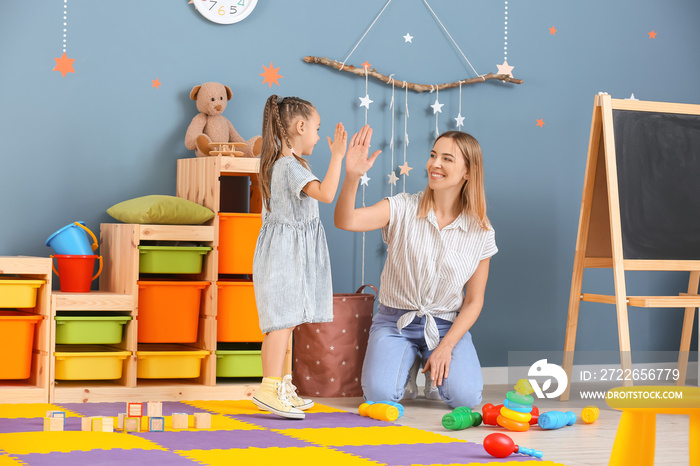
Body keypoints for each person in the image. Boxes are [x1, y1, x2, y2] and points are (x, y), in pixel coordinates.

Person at [334, 127, 497, 409]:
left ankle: (434, 373)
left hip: (446, 326)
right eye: (434, 155)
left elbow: (473, 301)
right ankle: (408, 367)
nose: (435, 164)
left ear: (468, 172)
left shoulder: (481, 231)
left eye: (447, 159)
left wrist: (446, 347)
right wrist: (351, 177)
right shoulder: (401, 207)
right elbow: (345, 221)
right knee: (380, 397)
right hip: (395, 322)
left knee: (467, 399)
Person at [252, 95, 347, 419]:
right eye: (317, 129)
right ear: (300, 126)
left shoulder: (283, 164)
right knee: (280, 324)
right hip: (283, 256)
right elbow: (327, 194)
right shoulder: (289, 167)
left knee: (286, 322)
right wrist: (337, 158)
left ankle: (281, 384)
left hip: (287, 254)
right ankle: (268, 387)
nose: (319, 137)